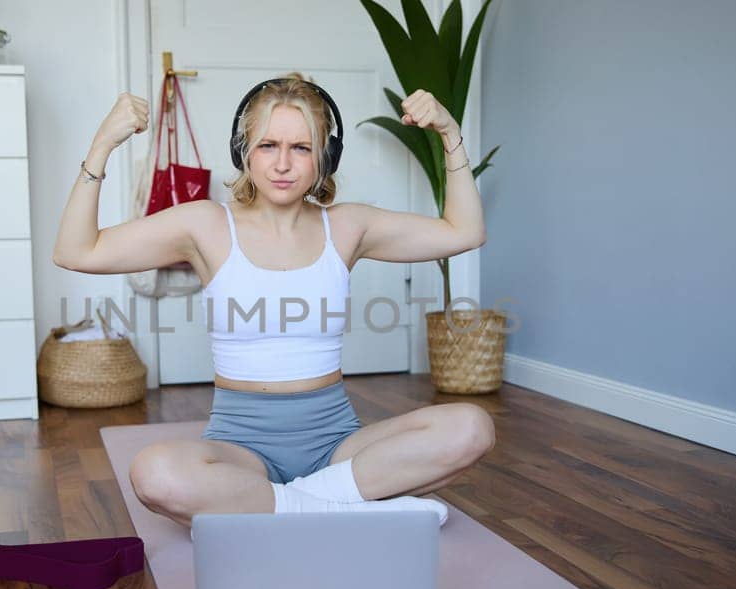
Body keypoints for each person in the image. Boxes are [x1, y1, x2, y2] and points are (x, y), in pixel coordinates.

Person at [53, 72, 494, 531]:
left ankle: (290, 505)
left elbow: (465, 231)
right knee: (154, 473)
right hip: (241, 450)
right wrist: (103, 144)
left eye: (301, 148)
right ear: (243, 151)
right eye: (268, 146)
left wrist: (450, 133)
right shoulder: (205, 225)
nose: (283, 164)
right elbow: (74, 251)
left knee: (472, 427)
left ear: (325, 156)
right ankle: (331, 506)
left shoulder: (346, 226)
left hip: (337, 447)